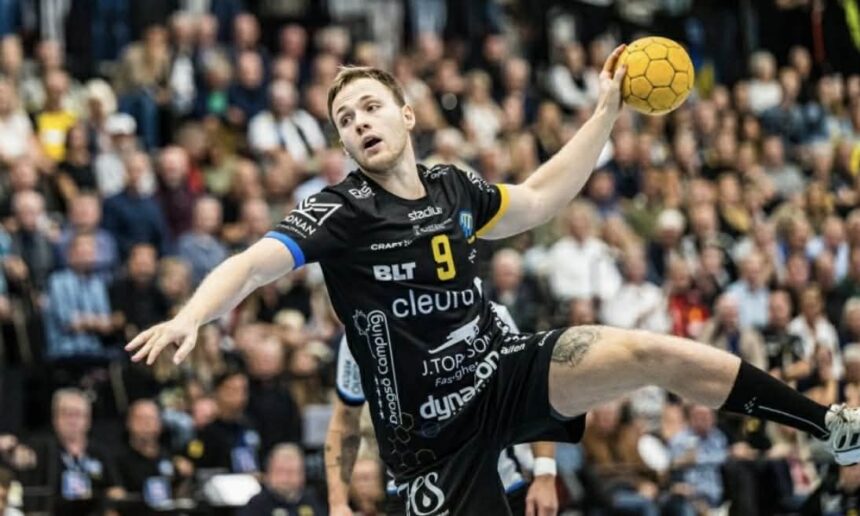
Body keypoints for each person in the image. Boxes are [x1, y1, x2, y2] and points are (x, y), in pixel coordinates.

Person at [127, 53, 860, 515]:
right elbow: (253, 263)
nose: (359, 123)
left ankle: (832, 426)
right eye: (345, 119)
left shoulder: (454, 187)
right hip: (429, 440)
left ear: (406, 115)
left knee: (649, 351)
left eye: (370, 107)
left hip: (498, 374)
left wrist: (605, 113)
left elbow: (540, 198)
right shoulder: (340, 210)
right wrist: (194, 315)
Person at [327, 306, 559, 516]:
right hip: (413, 496)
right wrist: (338, 504)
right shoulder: (364, 331)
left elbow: (531, 393)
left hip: (498, 487)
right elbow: (345, 419)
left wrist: (545, 473)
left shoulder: (489, 313)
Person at [239, 444, 325, 516]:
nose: (285, 479)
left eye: (290, 472)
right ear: (269, 474)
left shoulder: (315, 501)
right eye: (279, 472)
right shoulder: (256, 505)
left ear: (302, 475)